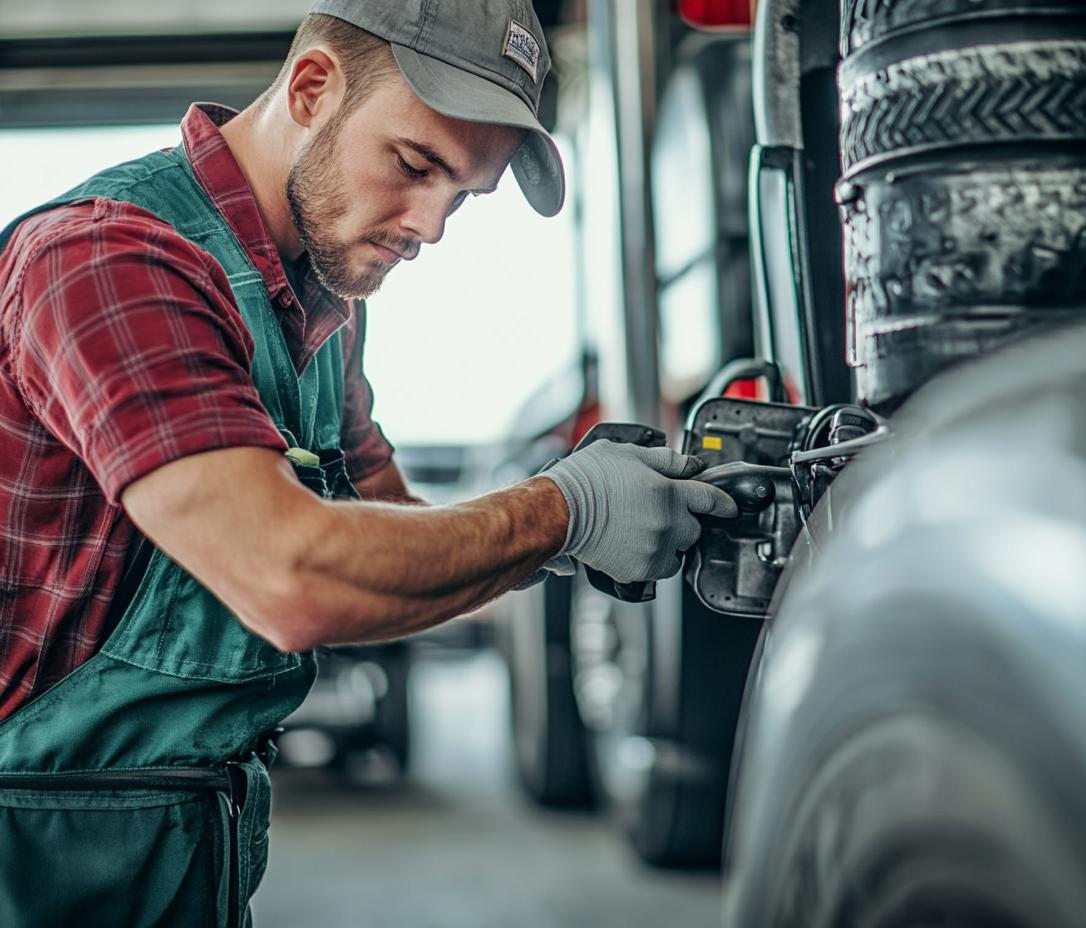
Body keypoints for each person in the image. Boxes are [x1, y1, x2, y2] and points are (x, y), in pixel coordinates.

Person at [0, 1, 737, 925]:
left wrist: (572, 529)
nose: (431, 227)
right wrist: (564, 513)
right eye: (416, 165)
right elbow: (293, 576)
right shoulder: (111, 259)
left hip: (189, 840)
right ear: (313, 87)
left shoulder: (324, 307)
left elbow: (390, 528)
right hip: (30, 847)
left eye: (463, 194)